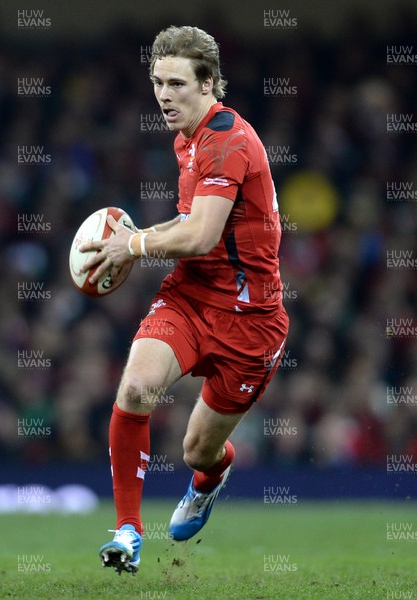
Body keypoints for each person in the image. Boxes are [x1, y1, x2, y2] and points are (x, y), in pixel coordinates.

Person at [80, 25, 289, 575]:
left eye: (176, 83)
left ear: (210, 84)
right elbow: (189, 226)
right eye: (157, 82)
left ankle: (208, 480)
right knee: (136, 386)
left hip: (252, 319)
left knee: (198, 450)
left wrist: (137, 243)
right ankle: (127, 531)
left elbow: (198, 236)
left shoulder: (227, 142)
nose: (164, 95)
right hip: (192, 297)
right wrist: (133, 245)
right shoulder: (187, 138)